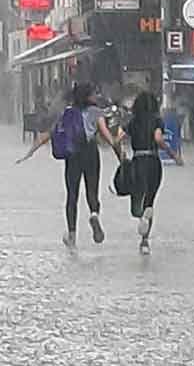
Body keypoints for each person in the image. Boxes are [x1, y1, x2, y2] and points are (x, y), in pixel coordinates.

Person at [17, 82, 122, 249]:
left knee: (72, 194)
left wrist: (31, 151)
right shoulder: (96, 112)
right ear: (88, 96)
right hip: (90, 153)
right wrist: (119, 147)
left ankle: (72, 235)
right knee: (92, 189)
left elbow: (50, 134)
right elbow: (107, 137)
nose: (96, 96)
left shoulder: (67, 113)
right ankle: (94, 214)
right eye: (94, 93)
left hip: (72, 155)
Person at [117, 92, 181, 255]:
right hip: (153, 161)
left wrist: (122, 154)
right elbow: (158, 139)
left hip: (137, 161)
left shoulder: (133, 121)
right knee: (150, 201)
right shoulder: (157, 121)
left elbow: (118, 139)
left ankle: (140, 216)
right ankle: (145, 241)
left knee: (137, 198)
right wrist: (172, 154)